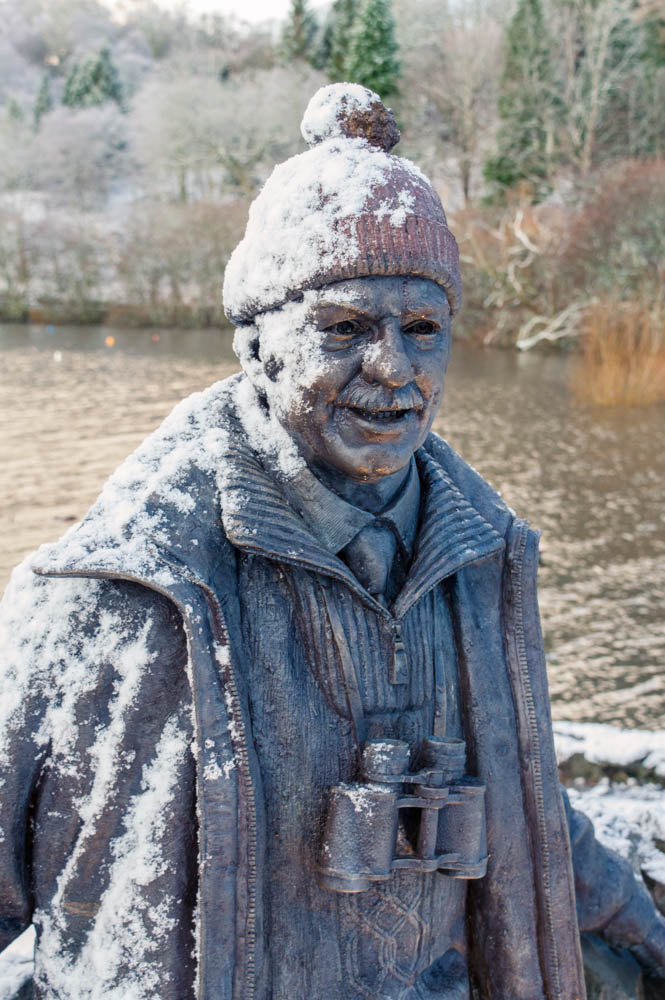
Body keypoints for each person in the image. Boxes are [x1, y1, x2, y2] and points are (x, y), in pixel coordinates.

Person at [0, 84, 663, 1000]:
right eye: (344, 327)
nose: (392, 368)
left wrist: (644, 932)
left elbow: (528, 809)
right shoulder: (114, 592)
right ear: (258, 345)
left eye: (421, 329)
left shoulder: (482, 562)